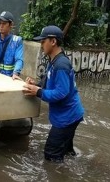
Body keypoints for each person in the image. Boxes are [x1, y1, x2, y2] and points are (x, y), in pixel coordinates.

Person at [23, 25, 84, 162]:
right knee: (66, 152)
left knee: (51, 155)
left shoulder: (60, 64)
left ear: (53, 41)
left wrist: (38, 92)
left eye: (43, 41)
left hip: (67, 118)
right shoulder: (55, 60)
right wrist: (36, 84)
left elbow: (61, 93)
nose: (41, 44)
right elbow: (49, 82)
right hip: (70, 115)